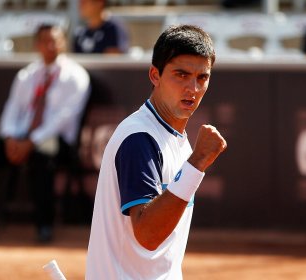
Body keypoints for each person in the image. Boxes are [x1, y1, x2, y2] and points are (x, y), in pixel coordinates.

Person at [86, 24, 227, 279]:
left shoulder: (175, 139)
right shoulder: (139, 138)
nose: (193, 89)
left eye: (201, 78)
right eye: (181, 75)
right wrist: (196, 164)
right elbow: (148, 235)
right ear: (155, 75)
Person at [0, 24, 91, 242]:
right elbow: (12, 109)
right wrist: (10, 138)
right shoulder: (26, 75)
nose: (50, 45)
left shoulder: (76, 76)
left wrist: (30, 142)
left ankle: (44, 226)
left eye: (55, 40)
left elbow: (63, 119)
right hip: (20, 138)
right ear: (37, 45)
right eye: (44, 41)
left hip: (58, 142)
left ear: (63, 43)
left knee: (42, 157)